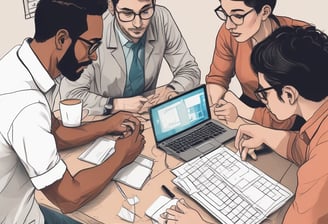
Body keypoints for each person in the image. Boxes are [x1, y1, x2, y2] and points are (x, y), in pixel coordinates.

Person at [161, 26, 328, 224]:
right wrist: (265, 134)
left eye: (264, 93)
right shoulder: (320, 122)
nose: (263, 99)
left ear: (289, 94)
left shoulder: (322, 163)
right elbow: (303, 148)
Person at [0, 0, 145, 223]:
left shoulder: (19, 63)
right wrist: (121, 155)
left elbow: (55, 133)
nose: (94, 56)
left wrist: (107, 125)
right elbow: (69, 197)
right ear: (61, 39)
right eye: (92, 46)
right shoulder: (26, 105)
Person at [59, 0, 201, 116]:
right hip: (103, 119)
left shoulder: (161, 18)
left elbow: (189, 68)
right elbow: (70, 95)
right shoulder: (94, 29)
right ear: (111, 7)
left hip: (146, 116)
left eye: (145, 11)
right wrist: (119, 105)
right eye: (127, 13)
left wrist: (173, 89)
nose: (138, 24)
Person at [206, 0, 309, 130]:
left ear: (265, 12)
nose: (228, 25)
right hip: (249, 105)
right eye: (225, 14)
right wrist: (215, 106)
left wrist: (241, 110)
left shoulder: (298, 39)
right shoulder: (231, 33)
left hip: (292, 117)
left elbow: (286, 115)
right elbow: (218, 78)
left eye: (238, 16)